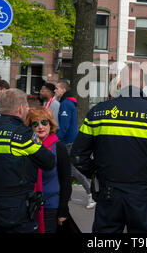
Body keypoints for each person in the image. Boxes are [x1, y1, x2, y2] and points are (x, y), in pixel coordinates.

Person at [71, 63, 147, 233]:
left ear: (119, 83)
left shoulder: (97, 113)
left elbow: (77, 156)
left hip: (109, 194)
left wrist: (97, 174)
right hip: (143, 197)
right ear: (143, 85)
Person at [0, 88, 55, 233]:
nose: (27, 109)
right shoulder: (22, 134)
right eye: (26, 106)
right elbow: (48, 161)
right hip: (15, 205)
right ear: (20, 108)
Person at [25, 107, 72, 233]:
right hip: (28, 205)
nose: (40, 126)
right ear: (31, 127)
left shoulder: (59, 147)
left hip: (51, 206)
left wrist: (63, 210)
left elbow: (66, 181)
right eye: (35, 123)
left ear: (50, 125)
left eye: (44, 122)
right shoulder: (26, 147)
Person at [55, 80, 95, 209]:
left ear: (63, 90)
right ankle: (68, 195)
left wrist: (56, 140)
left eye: (56, 88)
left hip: (67, 142)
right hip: (69, 141)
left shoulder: (66, 104)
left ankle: (90, 195)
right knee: (67, 169)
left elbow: (65, 127)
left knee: (72, 170)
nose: (55, 90)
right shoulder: (67, 103)